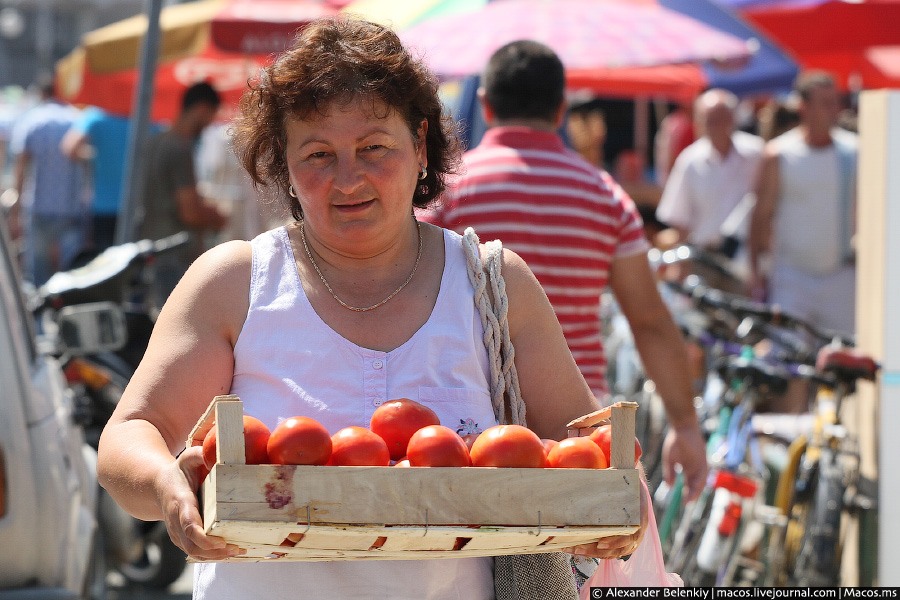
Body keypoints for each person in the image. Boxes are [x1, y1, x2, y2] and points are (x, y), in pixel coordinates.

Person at [97, 18, 647, 600]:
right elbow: (131, 434)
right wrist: (164, 484)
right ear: (283, 163)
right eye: (317, 154)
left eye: (374, 147)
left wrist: (614, 499)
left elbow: (579, 448)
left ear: (421, 144)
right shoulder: (234, 283)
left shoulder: (494, 286)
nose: (348, 178)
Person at [424, 40, 706, 502]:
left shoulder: (450, 190)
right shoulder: (604, 194)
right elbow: (650, 321)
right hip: (578, 428)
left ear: (485, 104)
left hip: (473, 421)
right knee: (573, 572)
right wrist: (686, 427)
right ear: (560, 109)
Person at [748, 71, 857, 336]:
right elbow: (761, 215)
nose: (834, 110)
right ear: (803, 108)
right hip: (792, 276)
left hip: (841, 276)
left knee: (842, 362)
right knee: (788, 362)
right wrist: (755, 271)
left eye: (835, 102)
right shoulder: (779, 154)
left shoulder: (855, 151)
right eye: (825, 103)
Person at [655, 89, 765, 289]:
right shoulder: (690, 161)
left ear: (733, 118)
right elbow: (681, 220)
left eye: (720, 118)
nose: (714, 126)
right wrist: (681, 266)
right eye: (708, 119)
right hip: (704, 259)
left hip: (745, 258)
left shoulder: (756, 154)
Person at [137, 81, 227, 306]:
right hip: (176, 251)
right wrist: (217, 218)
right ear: (201, 109)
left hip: (154, 245)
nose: (209, 124)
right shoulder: (179, 148)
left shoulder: (155, 142)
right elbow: (190, 212)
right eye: (211, 116)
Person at [8, 75, 89, 284]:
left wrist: (15, 213)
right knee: (70, 273)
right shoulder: (76, 119)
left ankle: (40, 317)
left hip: (38, 207)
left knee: (39, 274)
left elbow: (20, 170)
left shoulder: (32, 121)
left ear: (42, 94)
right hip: (70, 207)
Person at [61, 106, 160, 253]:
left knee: (105, 265)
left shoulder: (96, 116)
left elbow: (70, 147)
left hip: (104, 208)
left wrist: (95, 156)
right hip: (136, 208)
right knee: (132, 264)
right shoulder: (148, 118)